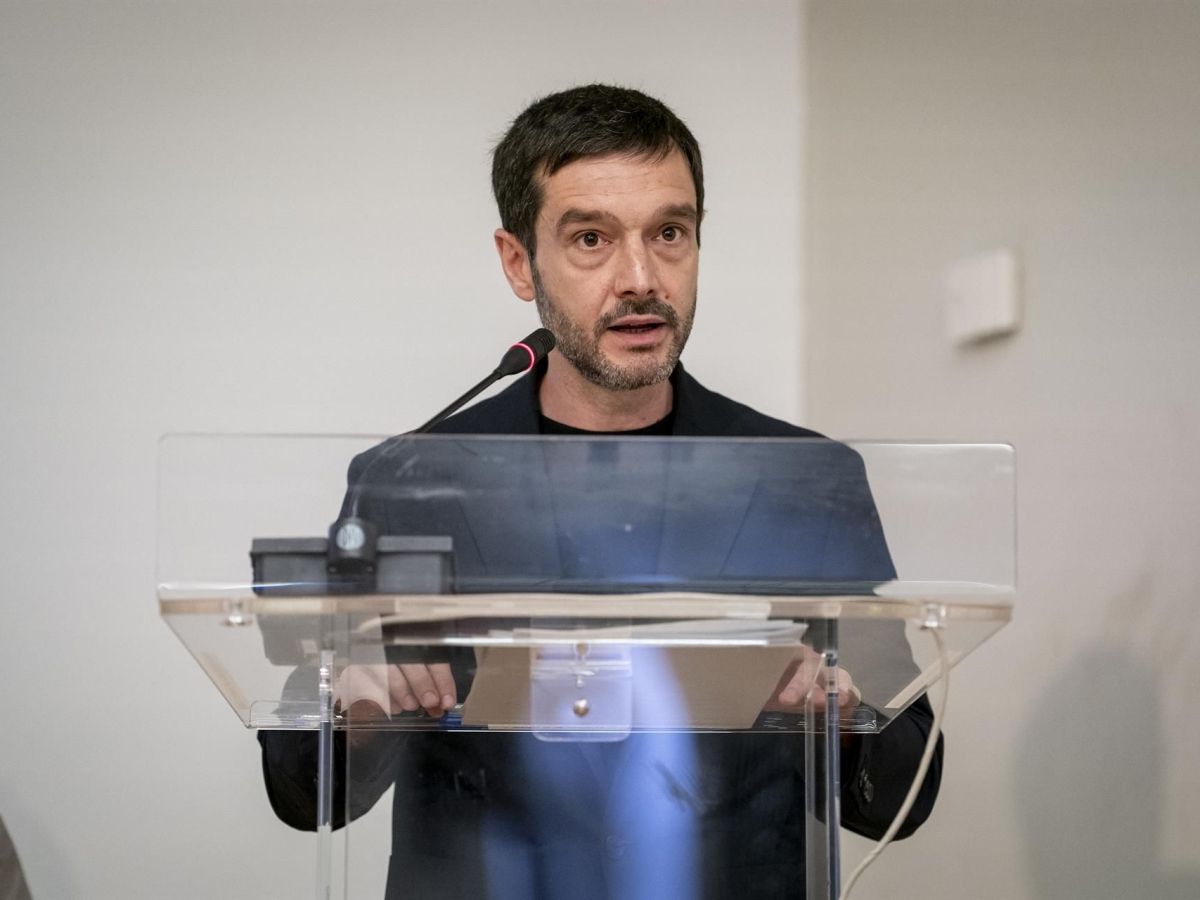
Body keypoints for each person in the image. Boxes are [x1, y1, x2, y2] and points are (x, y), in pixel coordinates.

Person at [259, 84, 941, 899]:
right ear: (519, 263)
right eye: (591, 238)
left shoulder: (804, 478)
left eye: (669, 233)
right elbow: (303, 791)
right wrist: (358, 714)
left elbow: (906, 788)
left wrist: (845, 722)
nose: (641, 278)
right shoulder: (413, 477)